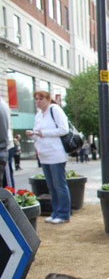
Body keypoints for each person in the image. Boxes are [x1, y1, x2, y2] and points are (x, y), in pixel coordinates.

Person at [26, 91, 70, 224]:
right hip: (44, 154)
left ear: (48, 99)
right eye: (36, 99)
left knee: (59, 184)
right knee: (51, 185)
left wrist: (42, 133)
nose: (38, 102)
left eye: (41, 99)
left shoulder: (55, 110)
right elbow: (38, 133)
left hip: (55, 153)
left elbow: (64, 129)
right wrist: (33, 134)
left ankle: (63, 213)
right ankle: (55, 211)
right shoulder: (39, 115)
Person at [1, 97, 15, 188]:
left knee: (7, 181)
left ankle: (11, 198)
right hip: (4, 147)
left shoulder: (2, 105)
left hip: (5, 147)